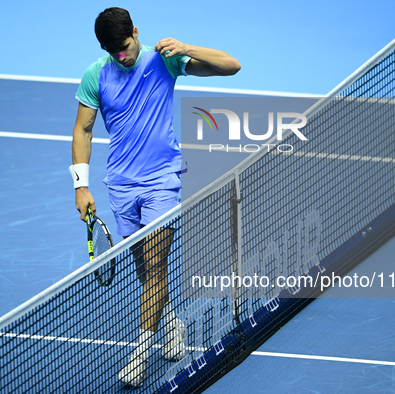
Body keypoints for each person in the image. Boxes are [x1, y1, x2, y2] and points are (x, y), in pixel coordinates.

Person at [69, 7, 240, 387]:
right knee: (146, 271)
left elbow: (232, 65)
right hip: (121, 186)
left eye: (126, 47)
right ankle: (173, 323)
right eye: (114, 51)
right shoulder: (96, 75)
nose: (122, 56)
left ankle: (140, 351)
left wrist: (185, 47)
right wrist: (81, 184)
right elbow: (83, 130)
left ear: (136, 31)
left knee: (155, 262)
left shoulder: (165, 61)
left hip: (162, 180)